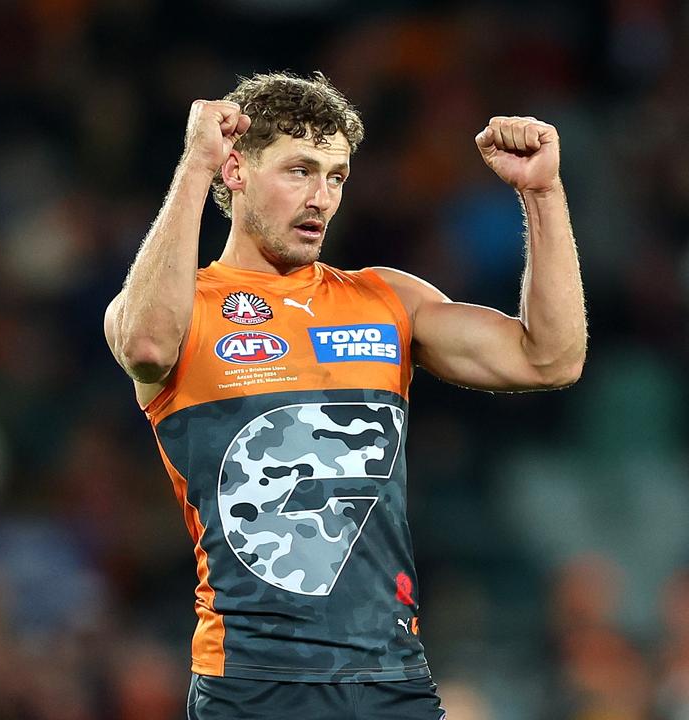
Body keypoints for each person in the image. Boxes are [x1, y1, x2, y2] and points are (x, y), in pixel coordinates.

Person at [103, 71, 586, 719]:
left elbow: (550, 358)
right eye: (299, 170)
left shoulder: (387, 299)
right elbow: (148, 348)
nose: (322, 197)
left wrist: (543, 193)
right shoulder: (185, 306)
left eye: (335, 176)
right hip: (255, 679)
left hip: (392, 677)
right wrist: (195, 166)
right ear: (236, 170)